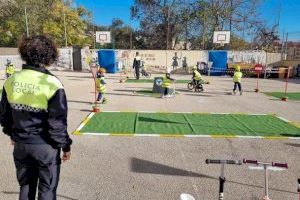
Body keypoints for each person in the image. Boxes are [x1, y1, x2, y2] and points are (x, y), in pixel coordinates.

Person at [0, 35, 72, 200]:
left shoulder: (10, 81)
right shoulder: (52, 83)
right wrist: (66, 146)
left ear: (24, 53)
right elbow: (57, 124)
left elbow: (4, 116)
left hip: (20, 145)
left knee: (25, 187)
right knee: (47, 190)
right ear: (49, 56)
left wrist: (12, 134)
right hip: (45, 147)